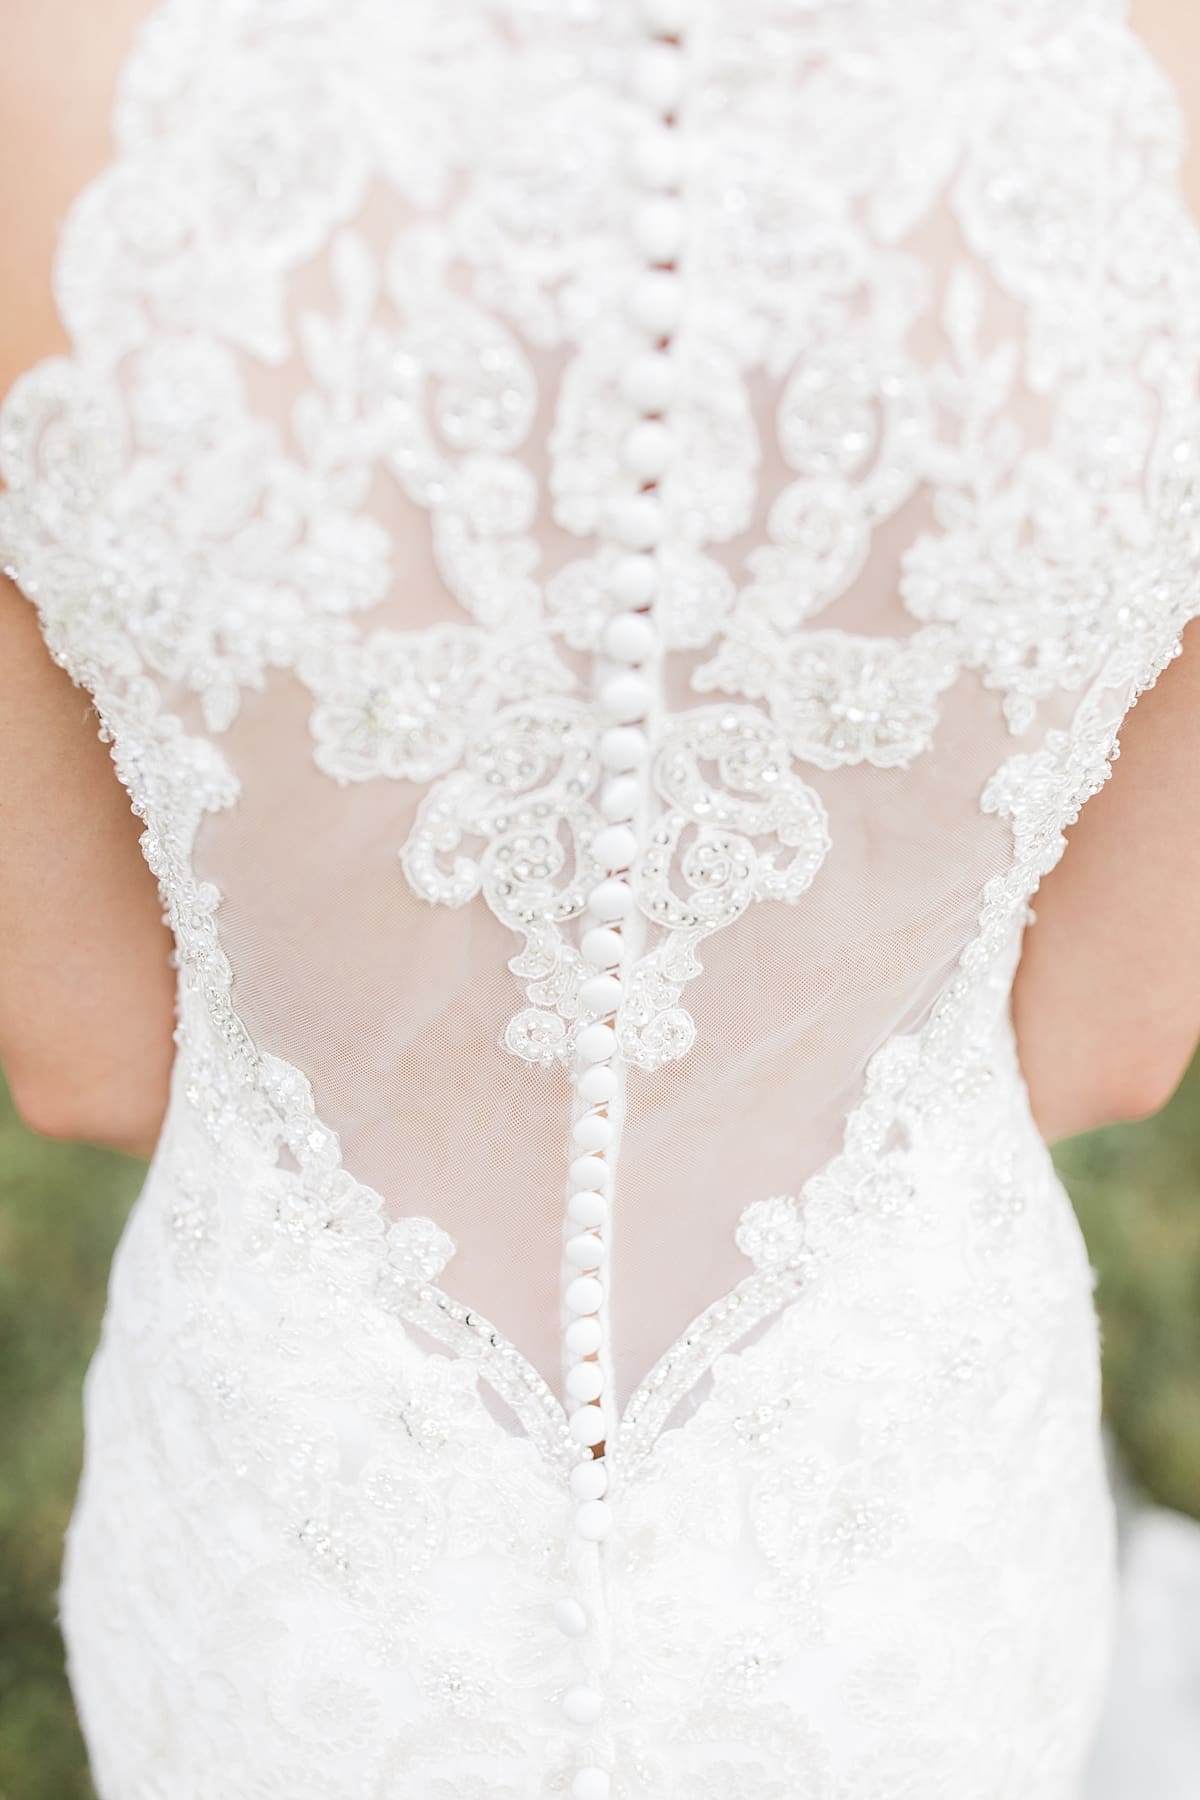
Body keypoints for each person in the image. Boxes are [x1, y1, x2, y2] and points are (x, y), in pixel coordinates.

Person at [2, 1, 1200, 1794]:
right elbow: (1110, 1040)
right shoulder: (1156, 67)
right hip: (887, 1577)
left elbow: (83, 1058)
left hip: (310, 1599)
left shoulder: (50, 76)